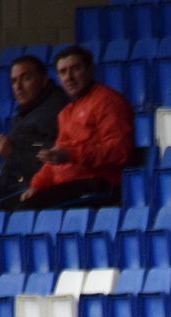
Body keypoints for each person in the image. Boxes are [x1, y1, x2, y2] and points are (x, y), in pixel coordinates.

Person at [19, 46, 132, 208]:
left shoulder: (108, 102)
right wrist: (37, 184)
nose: (69, 77)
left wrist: (72, 154)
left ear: (91, 70)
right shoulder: (66, 112)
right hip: (69, 186)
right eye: (63, 72)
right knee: (6, 209)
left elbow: (119, 151)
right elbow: (54, 159)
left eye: (75, 69)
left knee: (26, 211)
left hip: (97, 185)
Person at [0, 55, 67, 206]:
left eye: (26, 79)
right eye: (13, 81)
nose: (18, 87)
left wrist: (12, 153)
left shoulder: (54, 111)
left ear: (43, 80)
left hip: (31, 190)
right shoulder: (30, 109)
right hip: (10, 188)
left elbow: (51, 161)